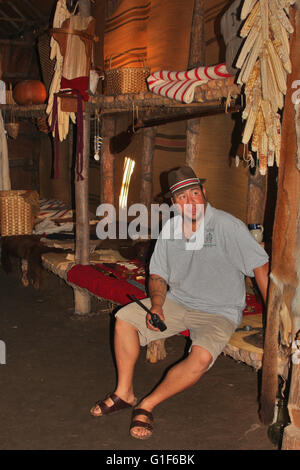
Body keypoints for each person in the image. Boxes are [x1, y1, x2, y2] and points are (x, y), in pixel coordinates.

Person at [90, 166, 269, 440]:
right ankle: (124, 393)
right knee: (124, 320)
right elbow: (159, 273)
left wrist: (273, 316)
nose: (191, 202)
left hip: (218, 311)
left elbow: (260, 267)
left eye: (195, 193)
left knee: (200, 358)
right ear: (174, 203)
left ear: (204, 193)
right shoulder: (171, 228)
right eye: (183, 197)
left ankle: (147, 404)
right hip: (178, 301)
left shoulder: (226, 226)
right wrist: (158, 305)